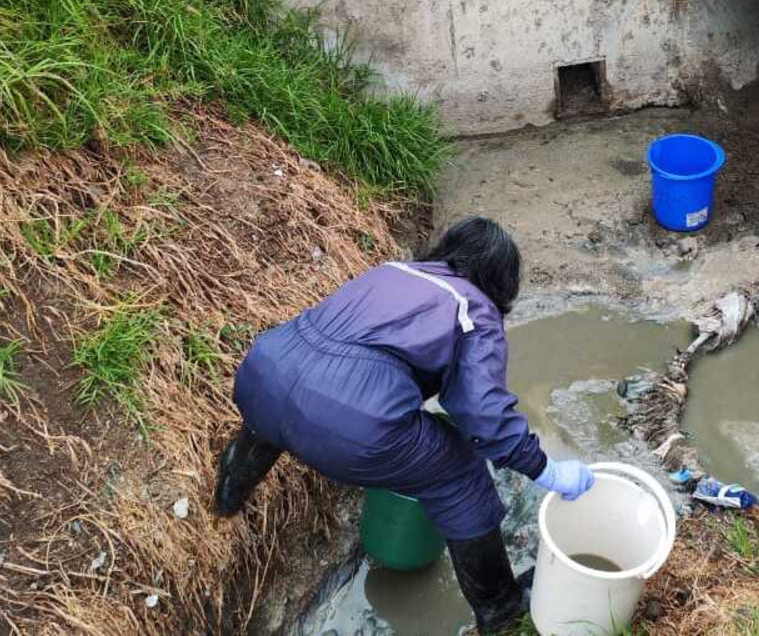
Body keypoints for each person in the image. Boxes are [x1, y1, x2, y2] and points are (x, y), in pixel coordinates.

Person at [211, 217, 595, 634]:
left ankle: (228, 494)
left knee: (276, 412)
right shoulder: (475, 310)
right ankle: (501, 607)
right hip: (351, 423)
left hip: (264, 371)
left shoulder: (393, 271)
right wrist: (545, 469)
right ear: (501, 280)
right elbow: (483, 413)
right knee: (460, 471)